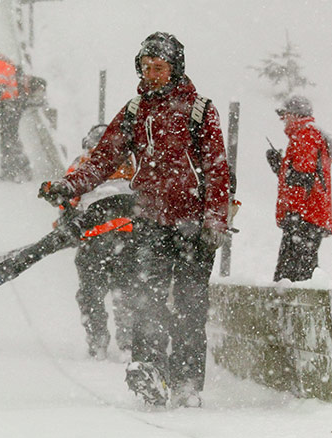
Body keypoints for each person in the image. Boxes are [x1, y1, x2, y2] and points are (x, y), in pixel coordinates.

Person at [38, 32, 230, 408]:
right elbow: (102, 160)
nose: (152, 73)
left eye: (159, 67)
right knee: (147, 300)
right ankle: (150, 370)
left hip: (194, 229)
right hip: (151, 223)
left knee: (190, 308)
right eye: (146, 66)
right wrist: (68, 186)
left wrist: (214, 221)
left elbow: (218, 171)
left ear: (175, 69)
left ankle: (188, 383)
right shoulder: (134, 111)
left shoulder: (200, 110)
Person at [64, 124, 136, 360]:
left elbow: (67, 201)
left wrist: (68, 223)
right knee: (125, 289)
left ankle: (98, 341)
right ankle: (128, 342)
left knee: (90, 292)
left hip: (92, 238)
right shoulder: (132, 165)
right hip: (126, 235)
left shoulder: (82, 164)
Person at [266, 95, 332, 282]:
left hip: (304, 215)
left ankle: (298, 309)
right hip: (308, 215)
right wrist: (281, 167)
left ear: (296, 114)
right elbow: (303, 175)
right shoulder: (306, 134)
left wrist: (281, 167)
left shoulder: (306, 134)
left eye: (285, 115)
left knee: (290, 277)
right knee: (301, 272)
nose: (283, 120)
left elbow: (304, 176)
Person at [0, 41, 32, 182]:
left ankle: (11, 172)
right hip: (10, 106)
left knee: (8, 140)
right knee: (11, 138)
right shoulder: (4, 63)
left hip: (8, 107)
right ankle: (21, 170)